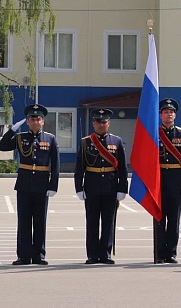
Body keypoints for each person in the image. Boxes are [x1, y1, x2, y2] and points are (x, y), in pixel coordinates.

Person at [0, 103, 59, 265]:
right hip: (24, 184)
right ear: (27, 121)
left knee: (40, 221)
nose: (35, 121)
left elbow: (56, 165)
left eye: (38, 118)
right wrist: (12, 130)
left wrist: (53, 186)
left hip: (42, 184)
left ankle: (39, 255)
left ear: (43, 121)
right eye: (32, 118)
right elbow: (1, 147)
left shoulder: (50, 139)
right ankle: (24, 256)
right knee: (24, 221)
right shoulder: (20, 137)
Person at [74, 109, 128, 264]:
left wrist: (122, 188)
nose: (101, 124)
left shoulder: (116, 141)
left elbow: (123, 168)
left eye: (104, 122)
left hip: (110, 186)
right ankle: (92, 254)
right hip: (91, 186)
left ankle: (105, 254)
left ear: (109, 123)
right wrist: (79, 187)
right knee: (91, 221)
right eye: (98, 121)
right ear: (93, 123)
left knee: (108, 221)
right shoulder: (85, 142)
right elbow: (79, 168)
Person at [156, 99, 181, 264]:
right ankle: (159, 253)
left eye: (171, 112)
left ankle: (171, 253)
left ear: (175, 115)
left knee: (174, 219)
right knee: (159, 218)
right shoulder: (154, 133)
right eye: (165, 112)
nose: (168, 114)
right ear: (160, 115)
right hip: (159, 180)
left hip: (176, 180)